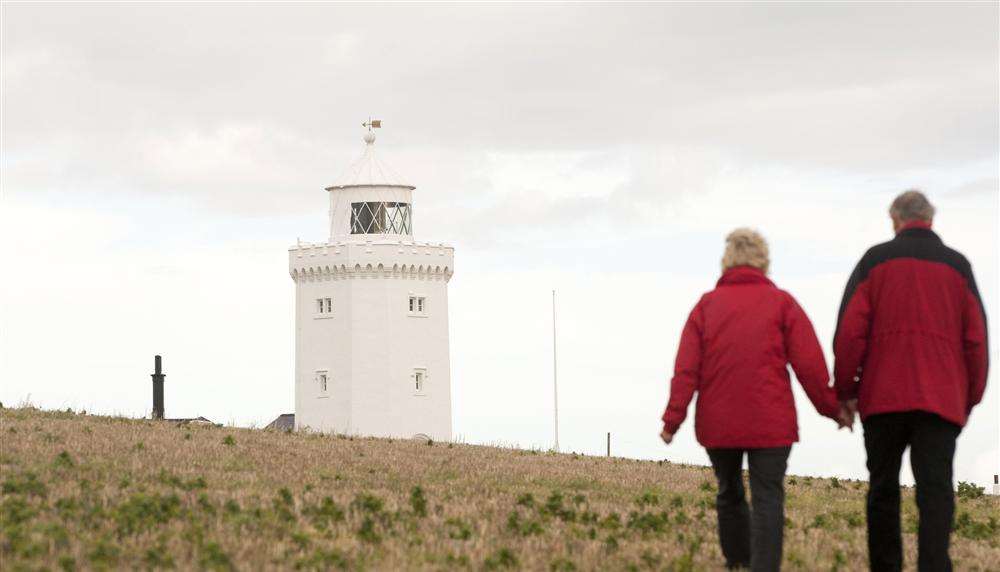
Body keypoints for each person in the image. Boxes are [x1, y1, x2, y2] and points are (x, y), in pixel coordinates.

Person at [660, 228, 851, 572]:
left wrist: (672, 421)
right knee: (768, 498)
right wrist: (833, 409)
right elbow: (810, 365)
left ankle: (736, 561)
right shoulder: (782, 304)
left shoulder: (705, 306)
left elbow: (685, 369)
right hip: (771, 423)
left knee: (729, 489)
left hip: (719, 423)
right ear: (764, 262)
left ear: (726, 261)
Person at [834, 190, 988, 572]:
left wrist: (845, 392)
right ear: (931, 220)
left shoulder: (874, 260)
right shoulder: (959, 266)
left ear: (895, 220)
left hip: (882, 397)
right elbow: (977, 341)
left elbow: (849, 334)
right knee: (936, 492)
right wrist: (969, 398)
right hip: (940, 400)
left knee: (882, 489)